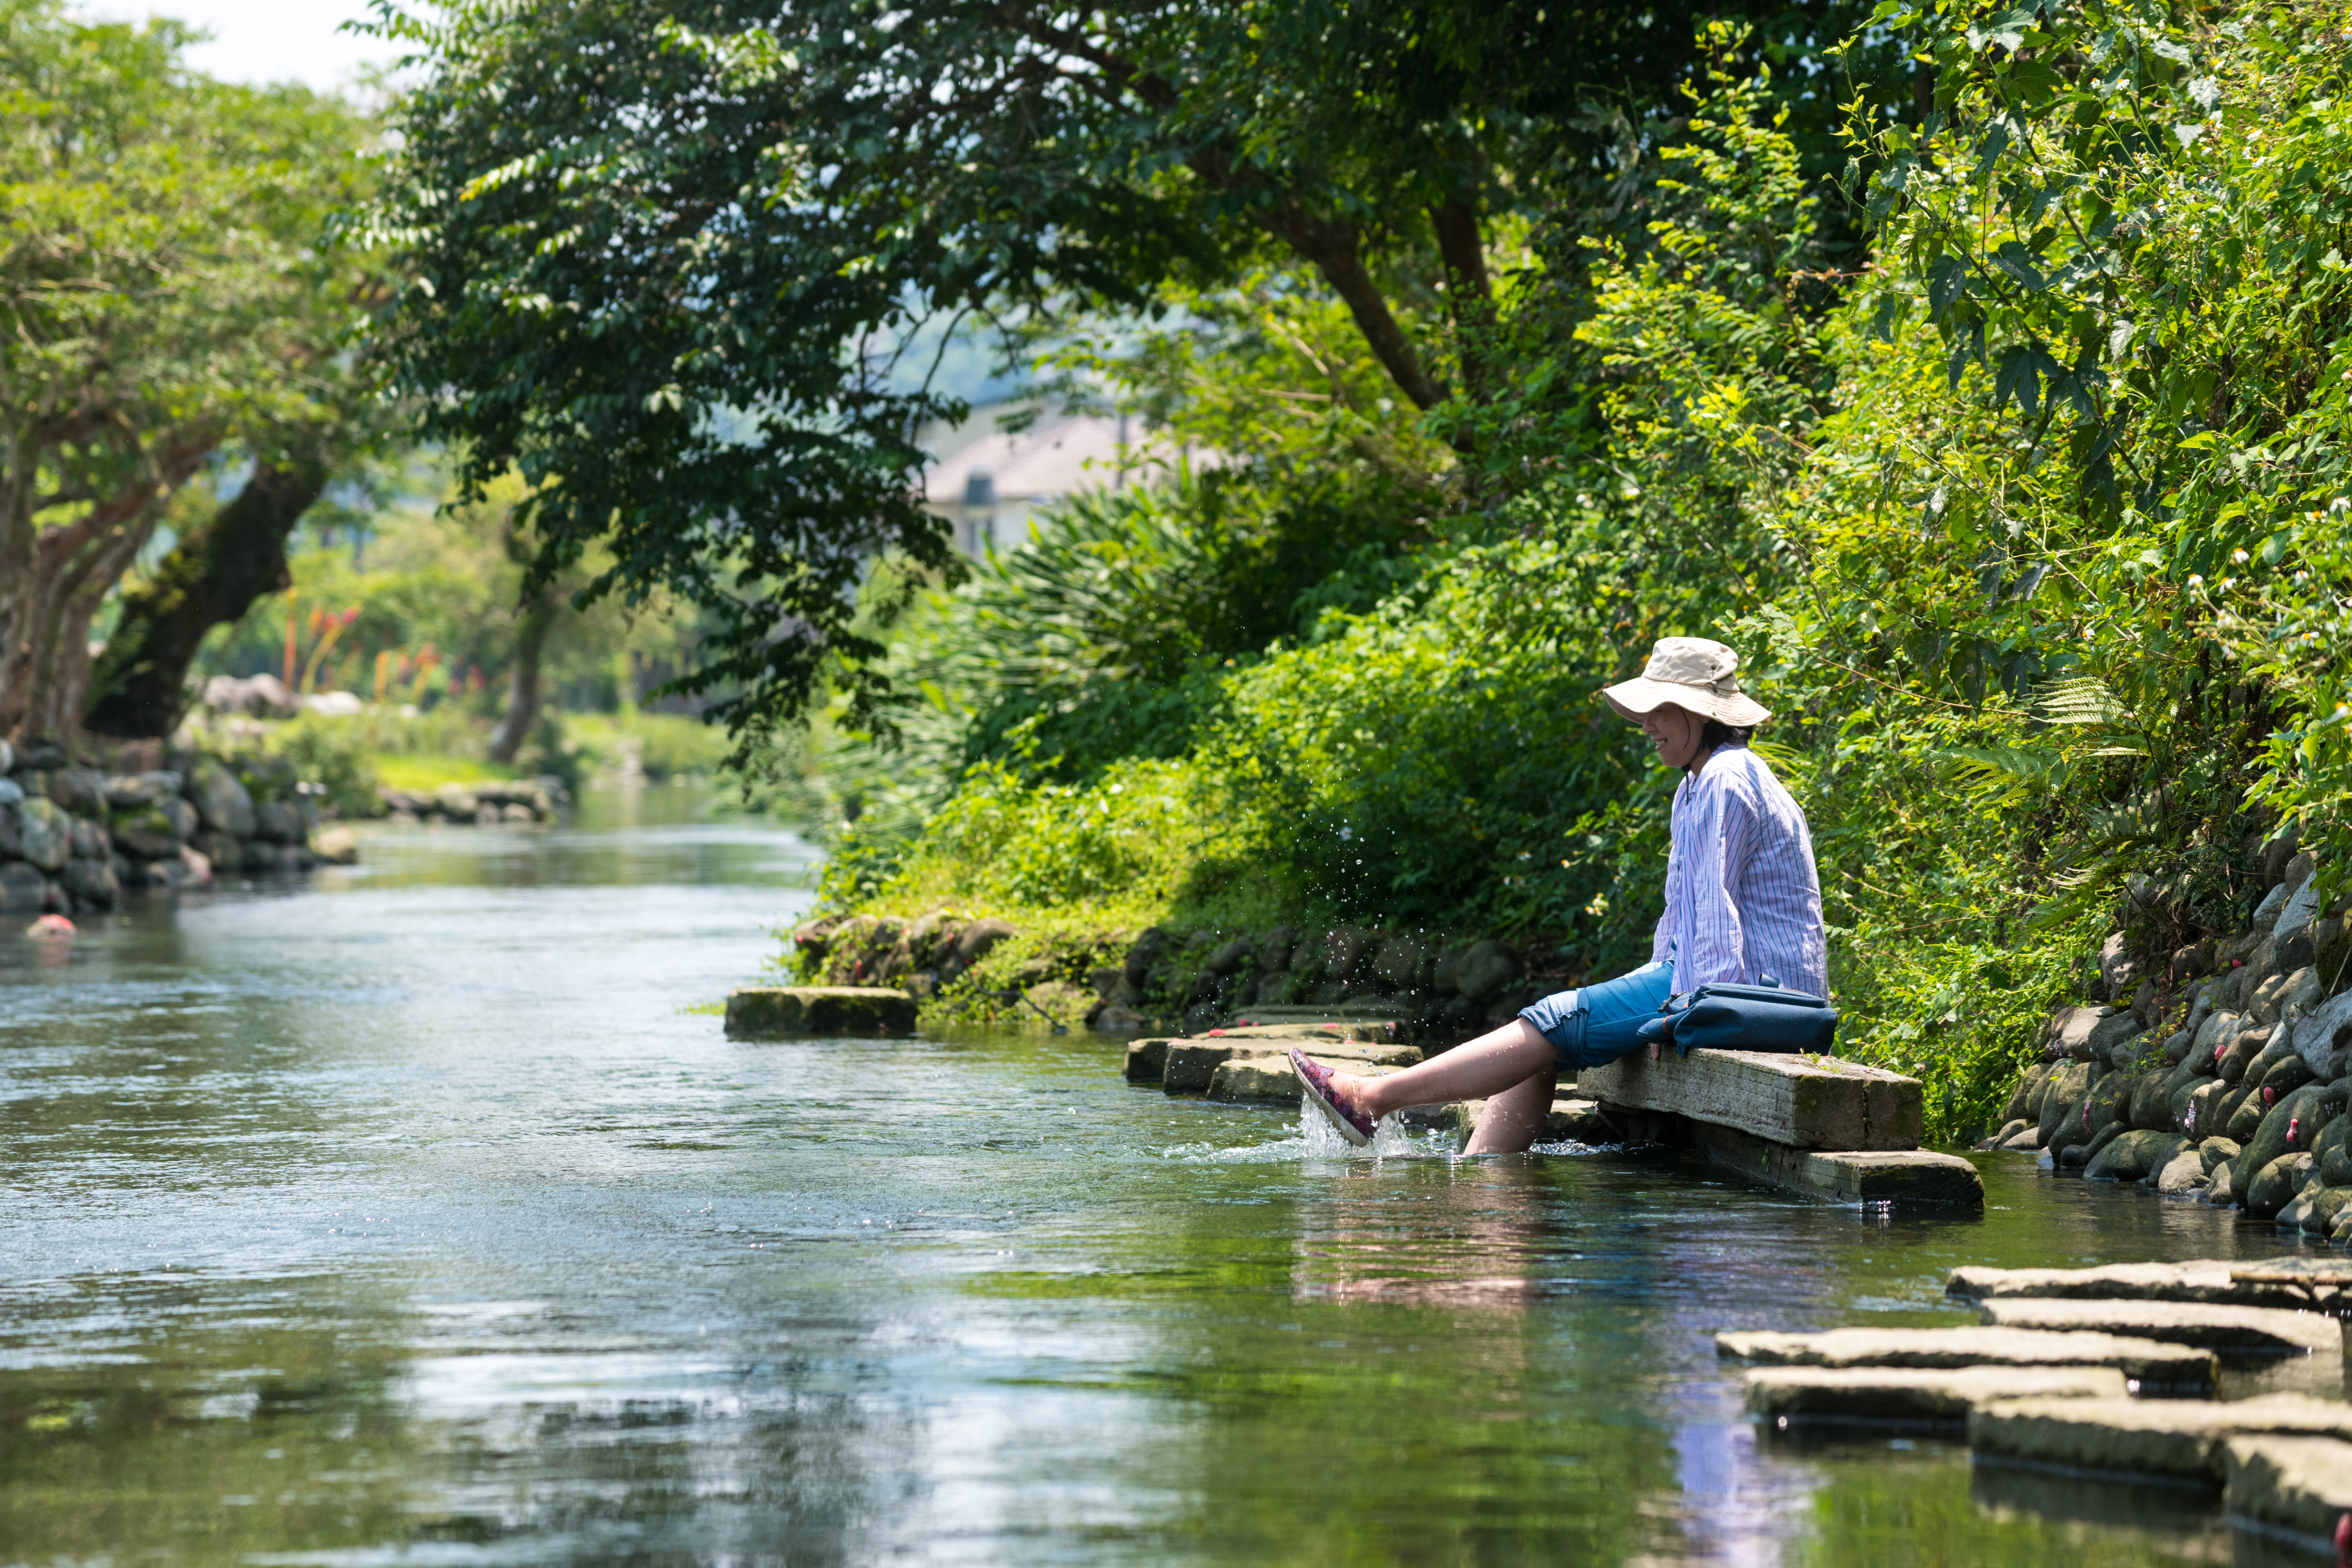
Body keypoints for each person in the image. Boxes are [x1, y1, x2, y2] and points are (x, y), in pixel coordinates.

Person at [1292, 635, 1827, 1153]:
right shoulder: (1697, 784)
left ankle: (1372, 1099)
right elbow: (1680, 916)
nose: (1646, 726)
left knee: (1555, 1020)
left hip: (1754, 997)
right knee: (1537, 1043)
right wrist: (1669, 996)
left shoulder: (1724, 780)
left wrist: (1688, 1015)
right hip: (1723, 981)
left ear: (1702, 713)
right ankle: (1484, 1184)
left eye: (1660, 711)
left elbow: (1715, 916)